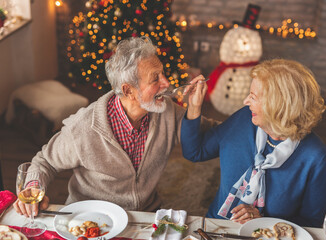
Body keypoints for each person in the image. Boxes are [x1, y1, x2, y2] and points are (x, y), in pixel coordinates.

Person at [13, 36, 213, 218]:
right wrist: (33, 188)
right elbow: (45, 161)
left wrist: (199, 108)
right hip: (91, 220)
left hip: (145, 217)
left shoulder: (167, 111)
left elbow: (209, 132)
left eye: (162, 74)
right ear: (128, 90)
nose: (166, 83)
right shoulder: (83, 128)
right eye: (155, 78)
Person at [181, 59, 326, 228]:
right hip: (217, 228)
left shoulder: (316, 157)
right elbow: (195, 151)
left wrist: (262, 221)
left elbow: (312, 224)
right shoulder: (244, 119)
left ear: (277, 106)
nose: (246, 101)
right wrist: (194, 106)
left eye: (253, 97)